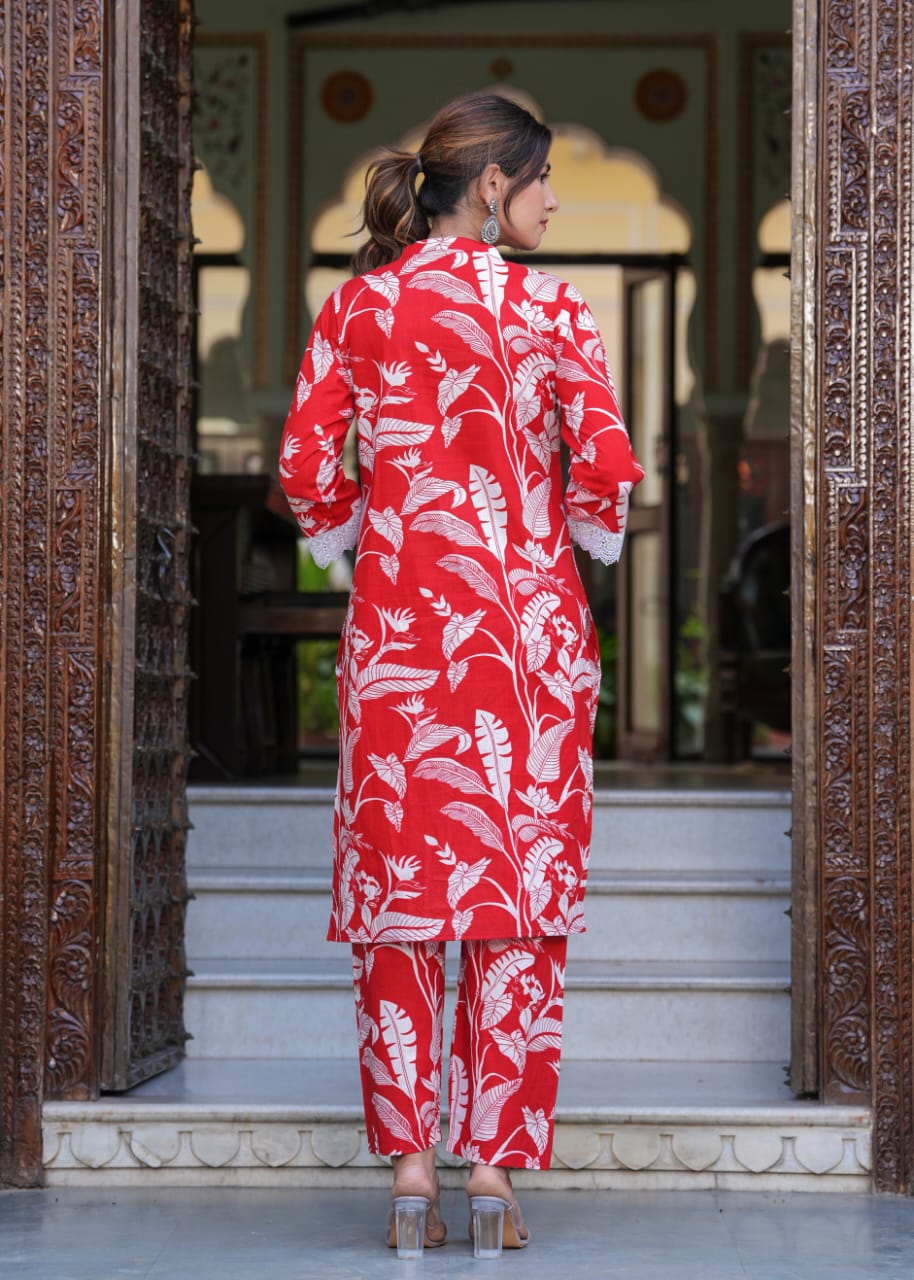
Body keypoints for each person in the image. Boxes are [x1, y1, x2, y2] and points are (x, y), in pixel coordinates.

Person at [280, 91, 643, 1259]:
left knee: (402, 911)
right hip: (526, 652)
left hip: (398, 647)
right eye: (538, 179)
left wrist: (362, 541)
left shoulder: (360, 307)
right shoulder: (550, 309)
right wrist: (561, 537)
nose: (550, 198)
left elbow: (303, 464)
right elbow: (606, 465)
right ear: (491, 185)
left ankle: (406, 1177)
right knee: (514, 914)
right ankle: (490, 1174)